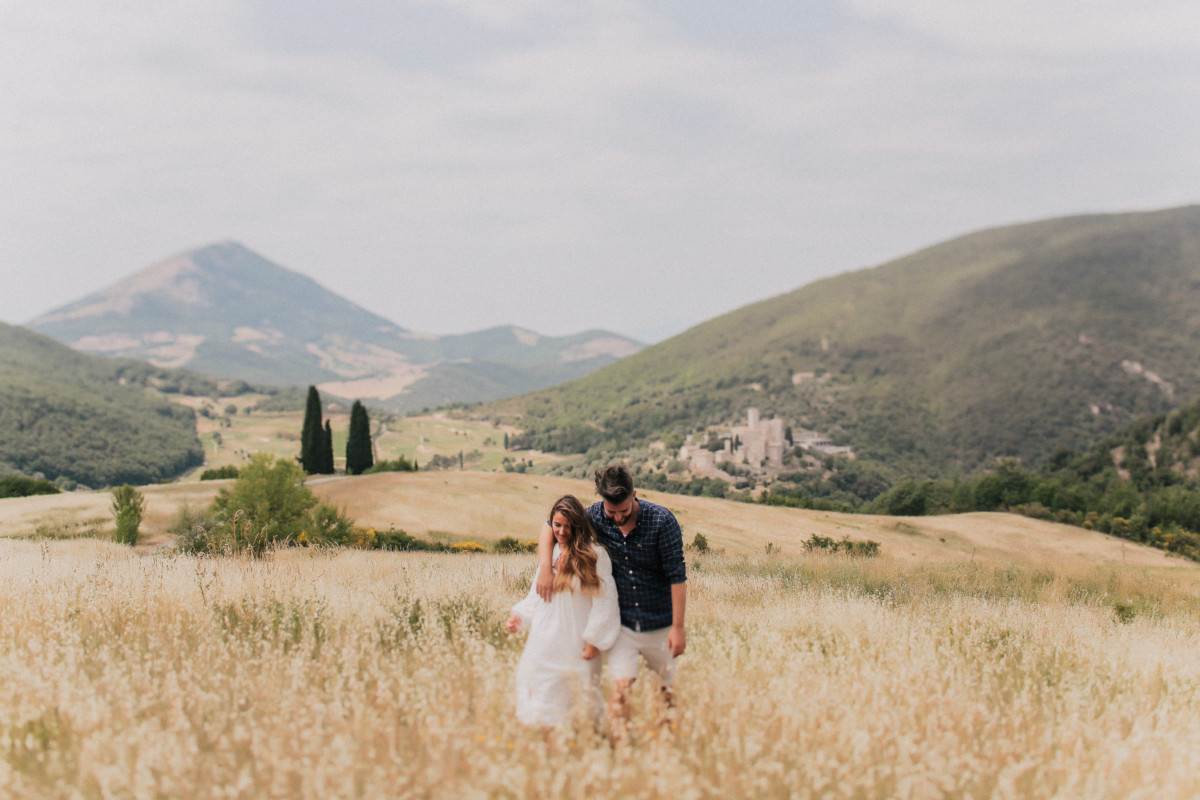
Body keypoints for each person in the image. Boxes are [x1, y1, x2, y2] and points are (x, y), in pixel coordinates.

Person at [534, 465, 687, 735]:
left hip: (660, 622)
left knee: (667, 690)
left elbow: (677, 575)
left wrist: (677, 627)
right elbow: (550, 525)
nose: (617, 517)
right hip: (623, 625)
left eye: (624, 511)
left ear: (634, 495)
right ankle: (621, 745)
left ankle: (668, 742)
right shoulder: (594, 515)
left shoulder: (662, 521)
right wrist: (546, 568)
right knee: (620, 692)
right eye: (611, 512)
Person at [506, 495, 621, 727]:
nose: (562, 531)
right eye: (557, 525)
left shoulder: (595, 555)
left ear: (578, 525)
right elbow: (537, 594)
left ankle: (587, 744)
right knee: (541, 689)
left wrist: (595, 639)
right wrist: (519, 617)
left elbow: (605, 601)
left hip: (578, 637)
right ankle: (549, 748)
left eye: (568, 526)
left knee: (581, 695)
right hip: (547, 636)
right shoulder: (551, 556)